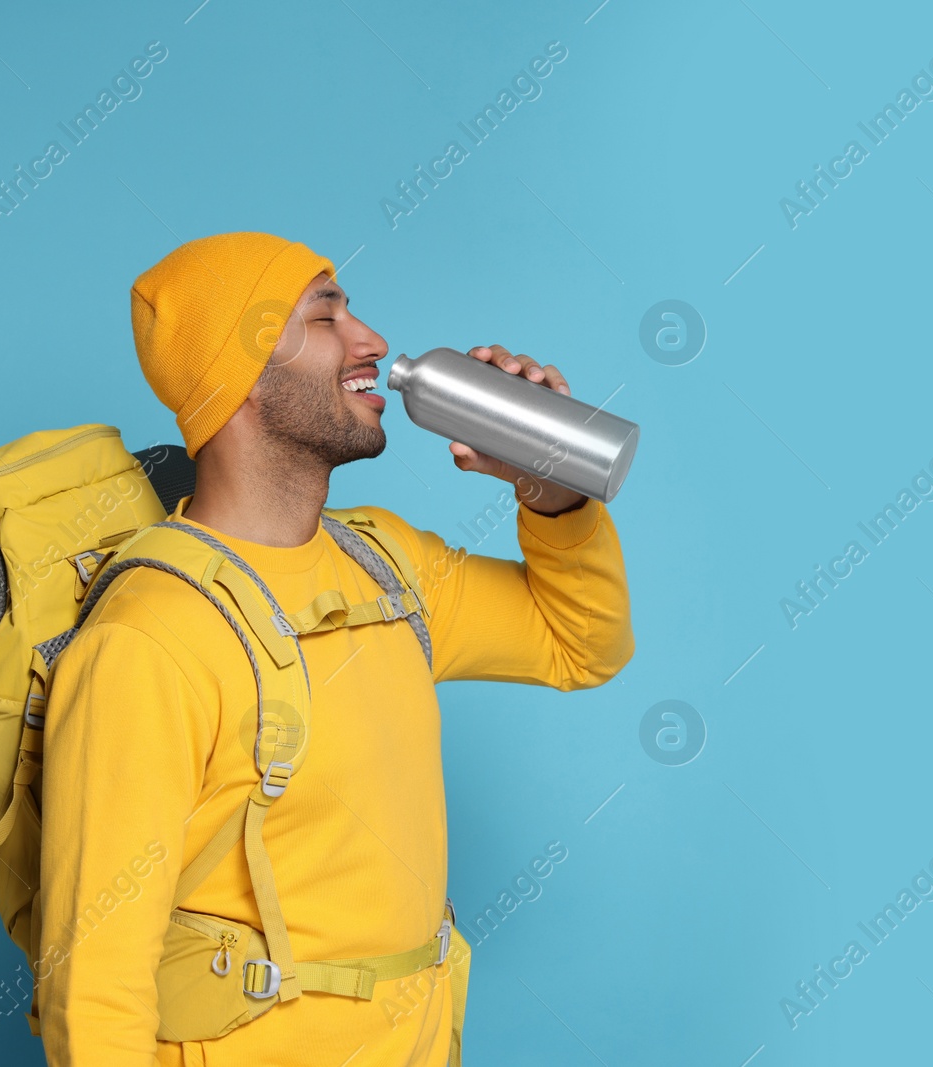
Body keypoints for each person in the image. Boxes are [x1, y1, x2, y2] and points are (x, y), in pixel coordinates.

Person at [35, 231, 634, 1066]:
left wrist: (551, 488)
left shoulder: (385, 565)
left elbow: (582, 645)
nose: (372, 339)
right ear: (239, 369)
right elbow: (94, 990)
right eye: (326, 315)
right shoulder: (147, 638)